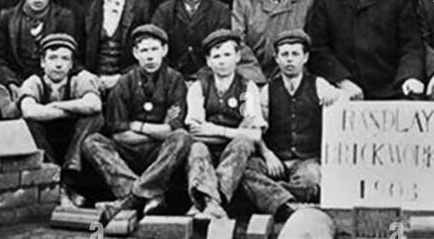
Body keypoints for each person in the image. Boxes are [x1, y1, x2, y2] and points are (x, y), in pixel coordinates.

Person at [81, 24, 194, 219]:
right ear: (135, 53)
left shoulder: (175, 80)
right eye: (144, 50)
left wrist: (138, 126)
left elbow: (173, 129)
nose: (149, 56)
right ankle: (146, 193)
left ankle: (132, 197)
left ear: (164, 50)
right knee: (92, 142)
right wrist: (156, 131)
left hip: (160, 153)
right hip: (129, 151)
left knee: (181, 137)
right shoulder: (125, 82)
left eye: (154, 49)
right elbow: (119, 133)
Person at [239, 29, 338, 213]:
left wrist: (334, 97)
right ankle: (286, 201)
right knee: (246, 172)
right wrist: (267, 155)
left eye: (295, 54)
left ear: (305, 57)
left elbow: (343, 104)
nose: (289, 59)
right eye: (284, 54)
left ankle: (274, 199)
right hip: (276, 158)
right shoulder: (267, 90)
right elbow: (257, 128)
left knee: (312, 181)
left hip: (307, 160)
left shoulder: (319, 84)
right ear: (277, 58)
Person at [184, 29, 267, 218]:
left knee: (242, 143)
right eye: (216, 56)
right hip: (208, 148)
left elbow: (255, 135)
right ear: (208, 61)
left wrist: (215, 130)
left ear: (237, 57)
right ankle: (213, 204)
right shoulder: (199, 87)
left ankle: (208, 203)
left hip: (236, 151)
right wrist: (236, 131)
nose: (222, 61)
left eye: (227, 54)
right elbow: (196, 131)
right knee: (197, 148)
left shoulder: (248, 87)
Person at [16, 32, 103, 207]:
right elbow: (29, 110)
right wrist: (73, 109)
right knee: (30, 123)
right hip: (46, 143)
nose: (58, 64)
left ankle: (67, 182)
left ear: (71, 64)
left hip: (72, 142)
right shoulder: (34, 82)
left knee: (94, 118)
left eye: (64, 59)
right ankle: (57, 183)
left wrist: (55, 107)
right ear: (42, 62)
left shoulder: (77, 81)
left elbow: (94, 104)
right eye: (53, 58)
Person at [0, 0, 80, 94]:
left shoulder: (64, 18)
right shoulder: (7, 17)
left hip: (49, 86)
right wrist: (11, 83)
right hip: (15, 84)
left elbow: (69, 60)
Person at [151, 0, 232, 79]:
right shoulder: (165, 11)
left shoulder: (220, 11)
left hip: (209, 80)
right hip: (170, 80)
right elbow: (155, 50)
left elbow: (222, 52)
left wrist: (198, 80)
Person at [82, 0, 152, 91]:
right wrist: (87, 76)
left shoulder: (142, 7)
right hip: (94, 83)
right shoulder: (89, 8)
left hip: (130, 83)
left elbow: (149, 53)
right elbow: (78, 52)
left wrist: (122, 78)